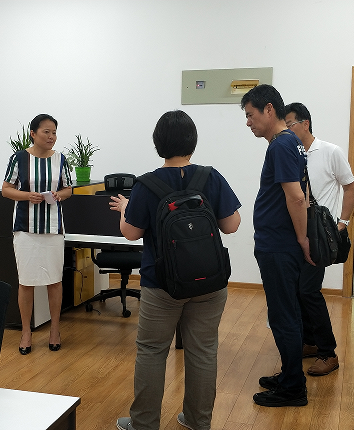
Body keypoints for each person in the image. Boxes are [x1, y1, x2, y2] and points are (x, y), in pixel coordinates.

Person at [113, 110, 241, 430]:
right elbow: (232, 225)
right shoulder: (210, 177)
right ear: (192, 142)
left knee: (152, 351)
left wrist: (126, 208)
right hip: (210, 283)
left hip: (162, 285)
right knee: (203, 351)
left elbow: (130, 233)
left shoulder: (146, 184)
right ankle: (198, 421)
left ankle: (144, 424)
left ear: (158, 143)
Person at [241, 84, 313, 407]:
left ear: (269, 109)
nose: (248, 122)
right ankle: (289, 374)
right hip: (281, 243)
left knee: (283, 316)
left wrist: (302, 239)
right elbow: (304, 193)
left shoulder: (281, 145)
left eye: (250, 115)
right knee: (288, 313)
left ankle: (293, 387)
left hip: (280, 245)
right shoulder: (292, 143)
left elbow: (297, 198)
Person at [284, 102, 354, 376]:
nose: (286, 131)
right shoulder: (290, 153)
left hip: (320, 234)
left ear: (305, 124)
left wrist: (343, 222)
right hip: (296, 233)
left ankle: (329, 353)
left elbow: (350, 187)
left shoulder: (330, 151)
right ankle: (311, 342)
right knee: (297, 290)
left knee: (308, 291)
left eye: (289, 125)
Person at [2, 113, 73, 355]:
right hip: (25, 228)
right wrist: (27, 196)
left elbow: (68, 188)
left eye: (54, 132)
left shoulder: (61, 159)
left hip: (53, 228)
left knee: (54, 280)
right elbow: (6, 189)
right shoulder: (19, 158)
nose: (51, 136)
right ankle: (26, 332)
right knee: (26, 281)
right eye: (46, 132)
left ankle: (55, 330)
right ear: (33, 133)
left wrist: (60, 195)